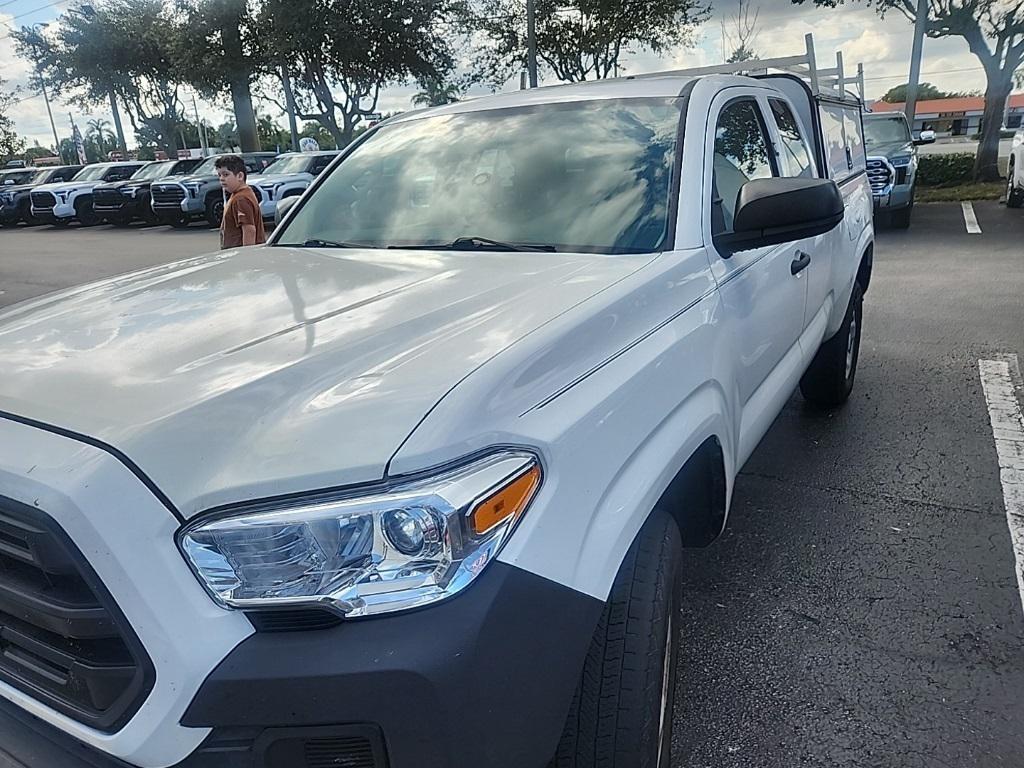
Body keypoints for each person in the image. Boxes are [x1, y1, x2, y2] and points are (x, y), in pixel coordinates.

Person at [214, 154, 266, 249]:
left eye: (226, 174)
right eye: (219, 175)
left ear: (240, 176)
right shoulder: (241, 194)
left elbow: (249, 230)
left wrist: (246, 255)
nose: (221, 178)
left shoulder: (241, 199)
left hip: (240, 256)